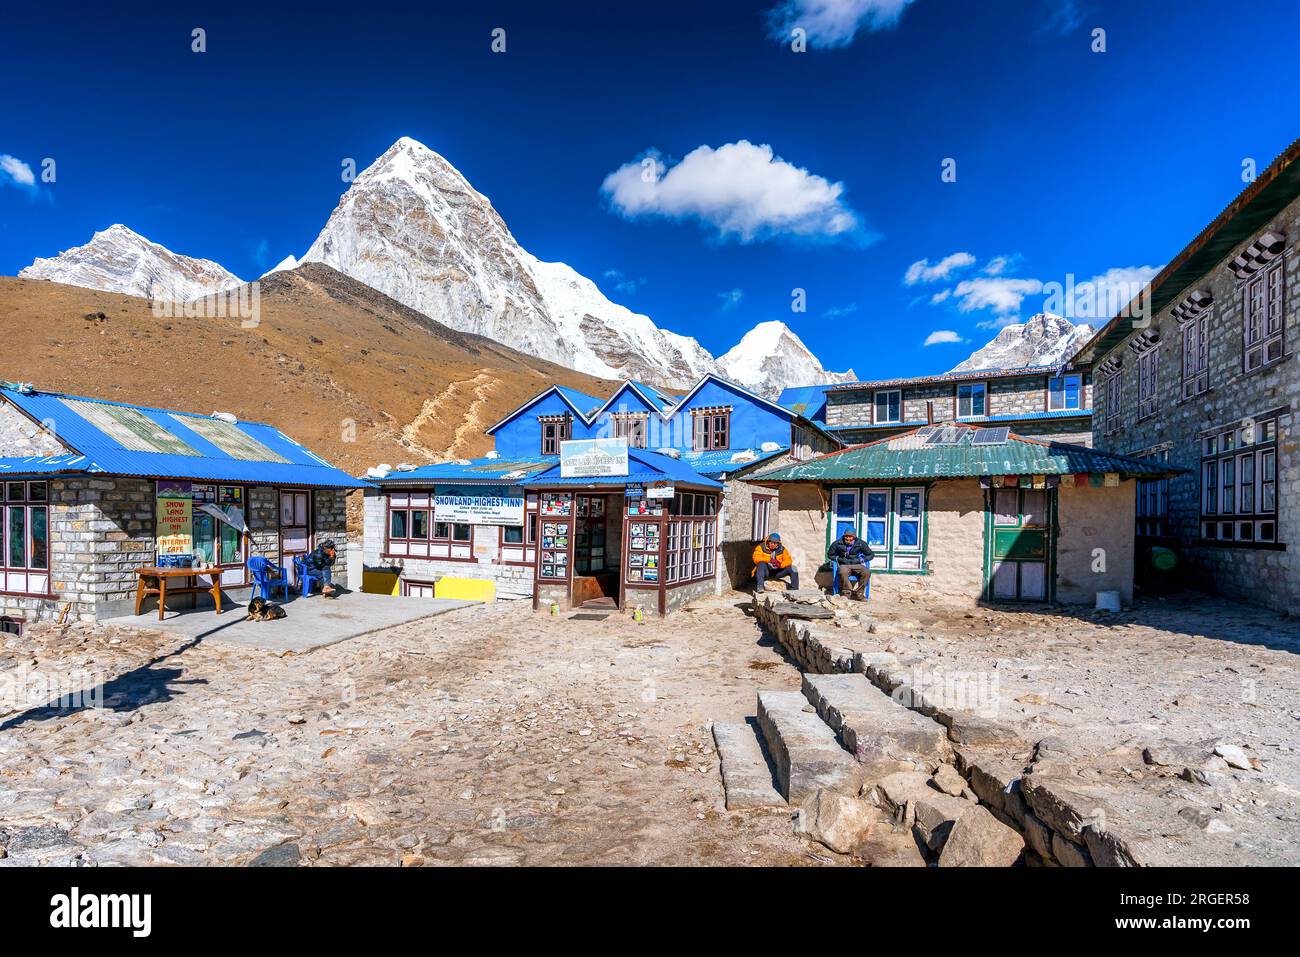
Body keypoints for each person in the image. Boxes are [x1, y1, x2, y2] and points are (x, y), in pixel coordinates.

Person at [827, 529, 873, 600]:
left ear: (854, 537)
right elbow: (830, 554)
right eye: (846, 536)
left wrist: (862, 560)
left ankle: (859, 593)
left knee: (867, 572)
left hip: (857, 564)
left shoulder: (860, 543)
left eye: (850, 536)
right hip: (844, 564)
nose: (848, 538)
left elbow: (870, 554)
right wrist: (838, 559)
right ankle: (847, 592)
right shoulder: (838, 543)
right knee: (842, 571)